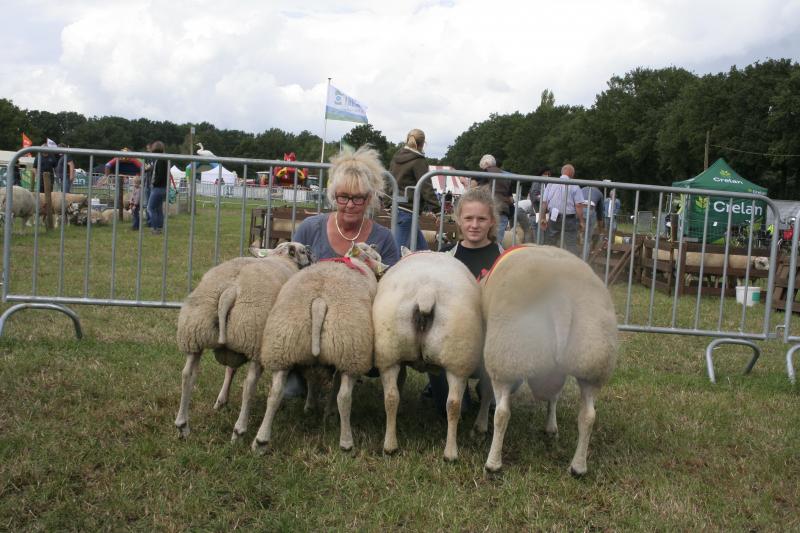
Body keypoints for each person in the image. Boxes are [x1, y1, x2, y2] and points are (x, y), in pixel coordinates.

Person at [285, 146, 401, 397]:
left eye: (357, 198)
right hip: (311, 320)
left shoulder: (383, 239)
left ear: (369, 198)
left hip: (356, 325)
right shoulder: (310, 228)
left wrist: (376, 271)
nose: (349, 205)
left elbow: (392, 290)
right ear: (332, 195)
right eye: (343, 197)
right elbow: (291, 279)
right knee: (292, 393)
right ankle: (301, 372)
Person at [426, 187, 504, 416]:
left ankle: (486, 389)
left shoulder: (504, 258)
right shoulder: (446, 256)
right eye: (468, 218)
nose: (474, 224)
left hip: (489, 343)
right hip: (449, 343)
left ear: (492, 222)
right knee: (451, 411)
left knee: (517, 364)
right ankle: (443, 385)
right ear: (459, 220)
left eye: (482, 219)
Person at [388, 128, 439, 251]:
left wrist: (387, 202)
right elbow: (426, 186)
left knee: (423, 251)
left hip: (397, 207)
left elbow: (388, 180)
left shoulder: (396, 157)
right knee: (398, 253)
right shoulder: (418, 161)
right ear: (423, 144)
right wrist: (437, 210)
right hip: (408, 210)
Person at [539, 163, 585, 255]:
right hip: (569, 218)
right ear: (572, 174)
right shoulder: (575, 185)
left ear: (562, 172)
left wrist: (542, 218)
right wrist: (581, 221)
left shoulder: (551, 183)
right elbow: (578, 206)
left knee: (550, 243)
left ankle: (547, 262)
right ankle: (572, 266)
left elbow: (544, 203)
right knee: (571, 244)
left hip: (554, 217)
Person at [472, 154, 514, 245]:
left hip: (485, 211)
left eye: (482, 166)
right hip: (502, 211)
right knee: (497, 243)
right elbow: (511, 200)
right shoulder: (507, 177)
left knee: (481, 241)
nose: (481, 169)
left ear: (486, 163)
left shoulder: (482, 173)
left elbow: (472, 191)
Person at [146, 141, 167, 235]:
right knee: (158, 209)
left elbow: (160, 175)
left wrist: (154, 183)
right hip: (162, 188)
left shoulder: (160, 160)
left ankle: (154, 228)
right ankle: (159, 228)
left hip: (158, 188)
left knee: (150, 208)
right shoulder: (162, 159)